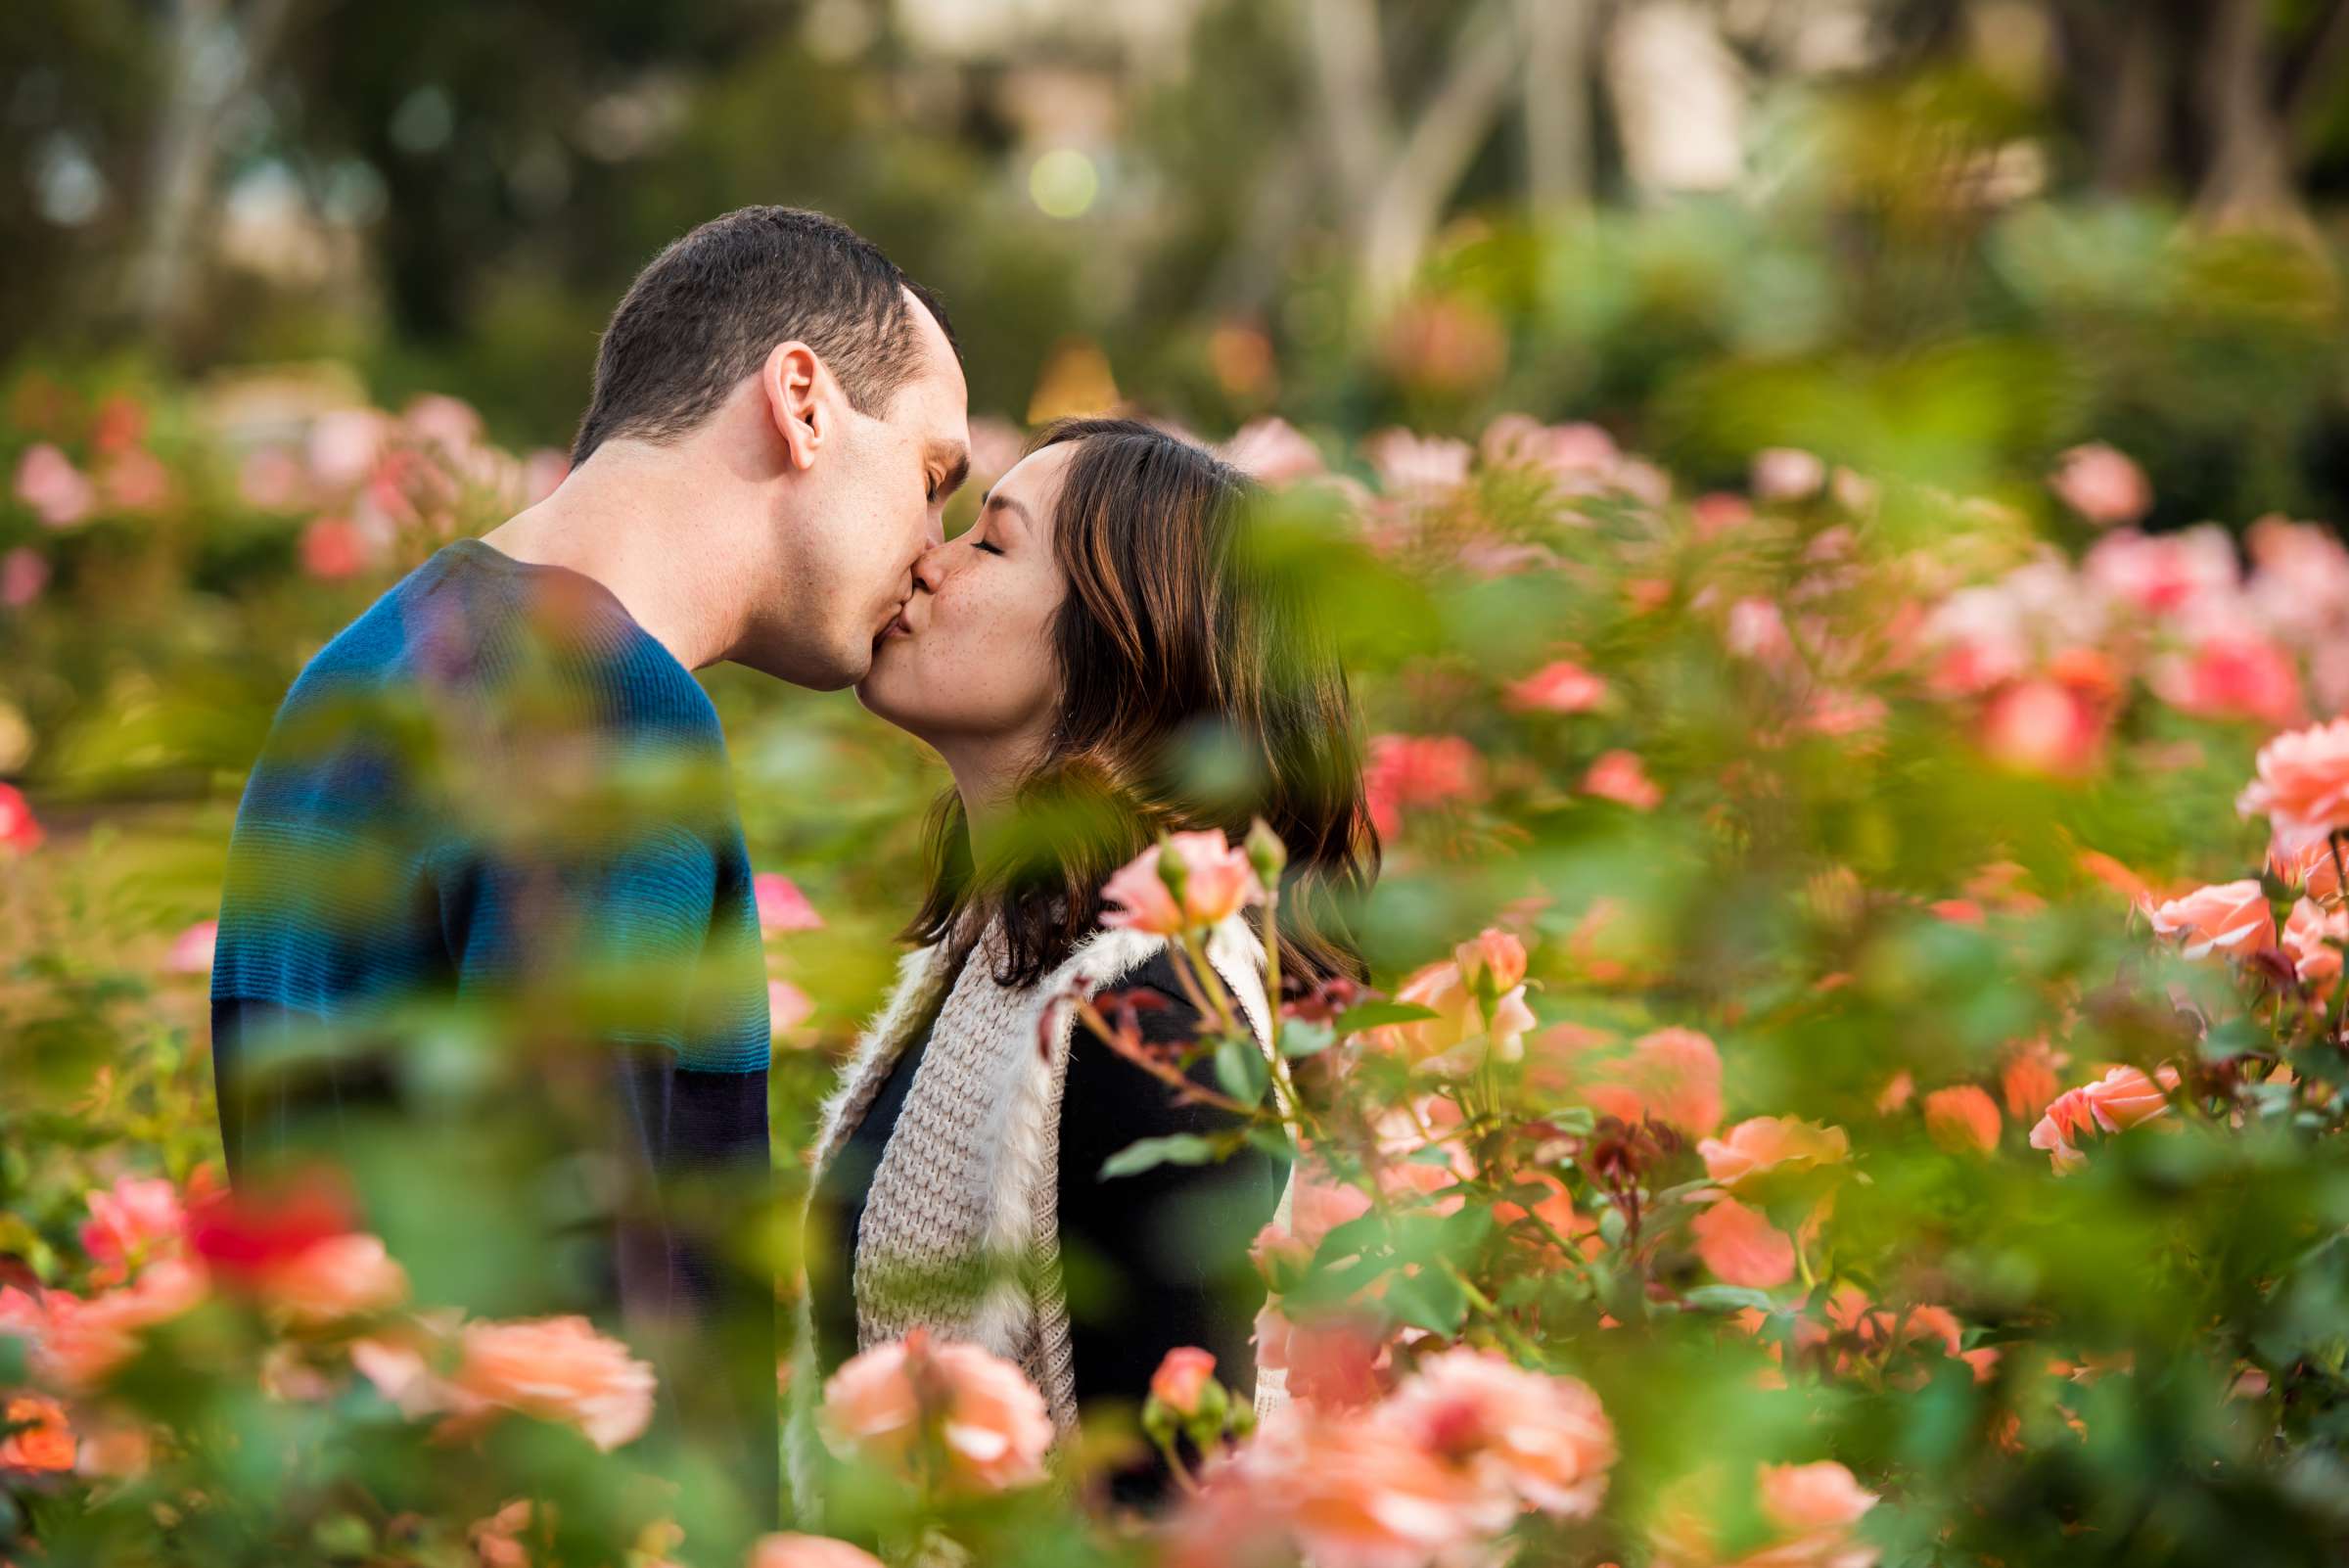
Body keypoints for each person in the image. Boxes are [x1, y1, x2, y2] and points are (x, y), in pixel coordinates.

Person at [208, 206, 971, 1549]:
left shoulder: (359, 669)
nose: (931, 547)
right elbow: (575, 1285)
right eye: (932, 474)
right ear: (802, 400)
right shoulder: (616, 708)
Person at [785, 418, 1377, 1519]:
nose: (927, 560)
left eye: (991, 545)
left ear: (1121, 653)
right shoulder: (997, 965)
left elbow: (1185, 1507)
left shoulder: (1151, 1030)